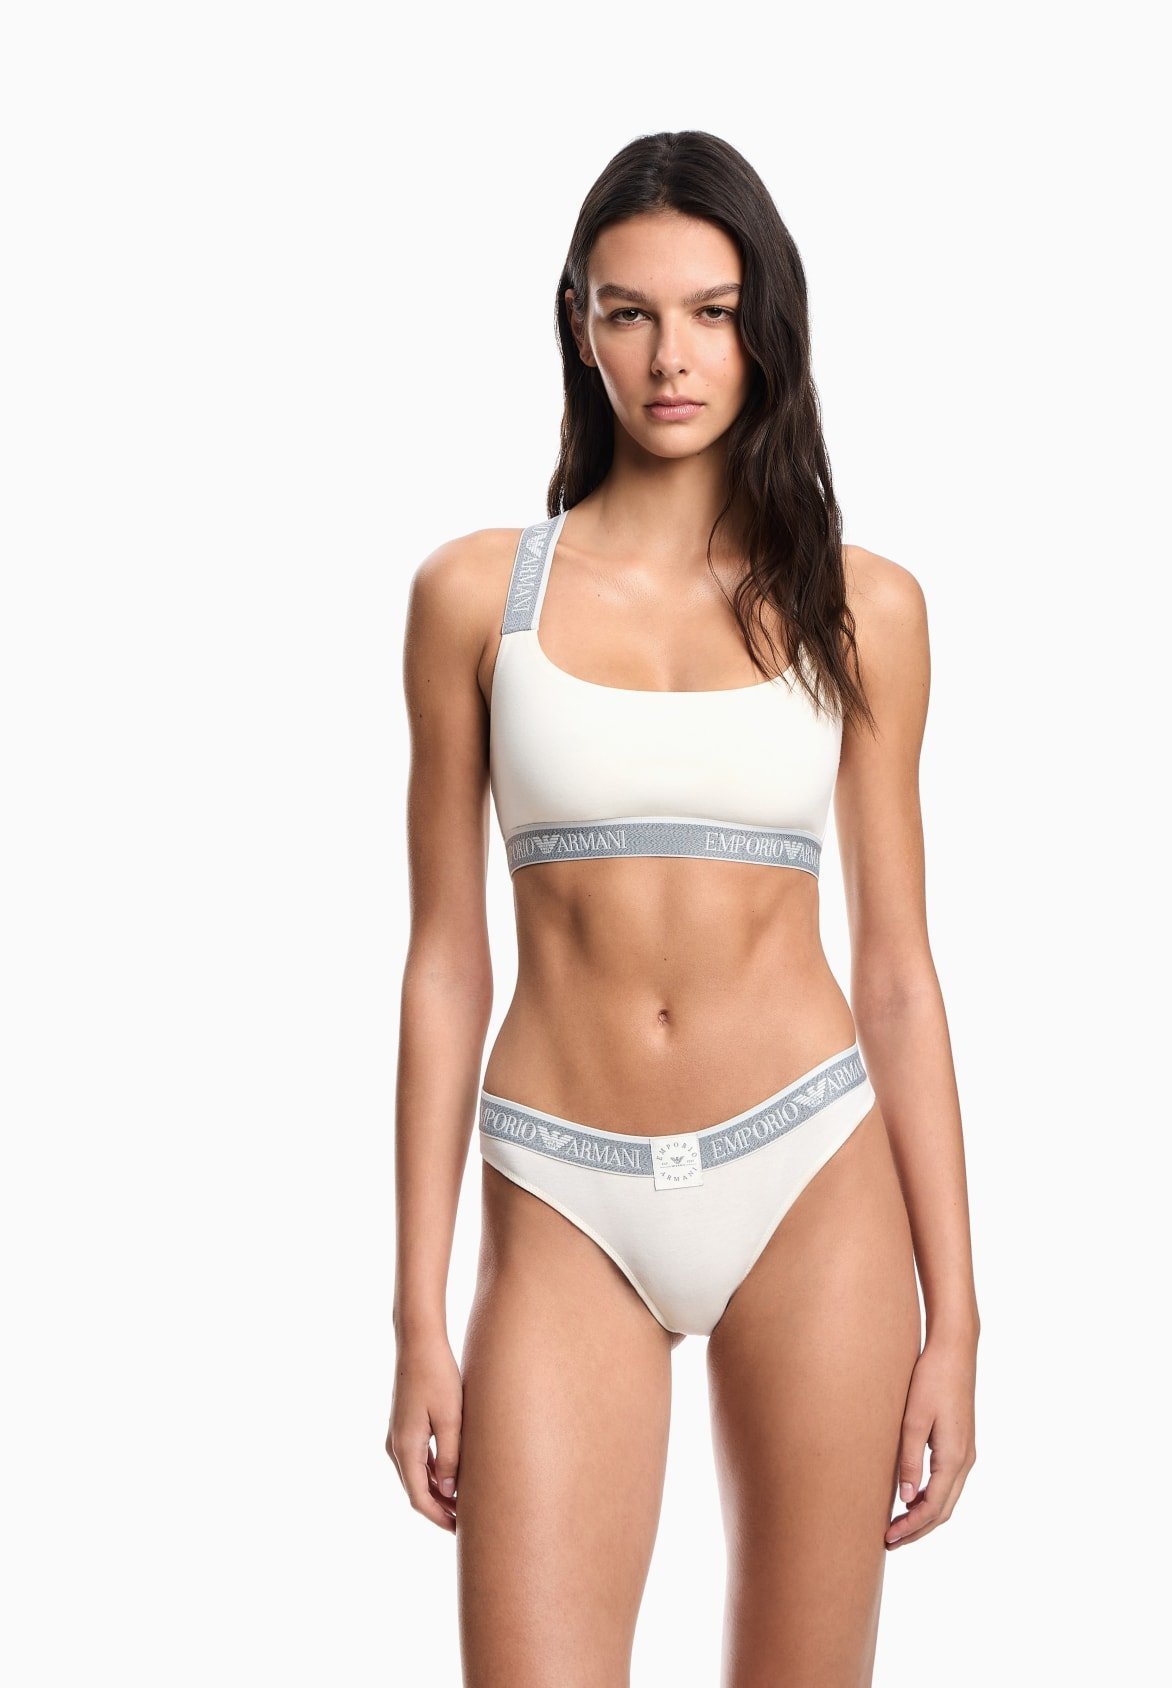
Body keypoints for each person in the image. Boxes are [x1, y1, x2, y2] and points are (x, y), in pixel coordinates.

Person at [386, 129, 979, 1686]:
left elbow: (897, 972)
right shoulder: (472, 598)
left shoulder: (863, 607)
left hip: (809, 1173)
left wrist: (960, 1322)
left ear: (762, 325)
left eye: (711, 313)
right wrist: (416, 1316)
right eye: (630, 312)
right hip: (561, 1189)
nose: (670, 358)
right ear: (577, 322)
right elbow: (443, 965)